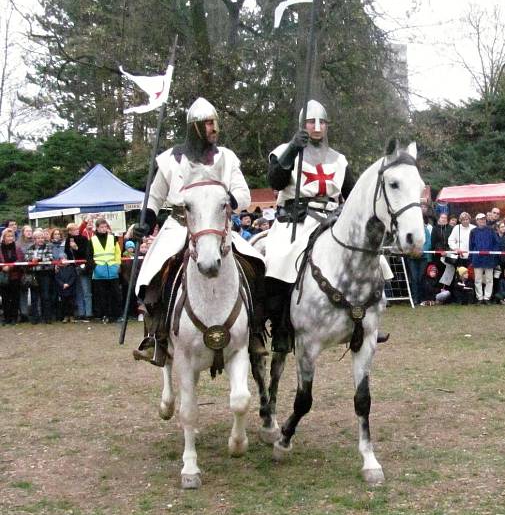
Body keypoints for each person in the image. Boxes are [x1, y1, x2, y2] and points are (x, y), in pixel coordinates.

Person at [132, 97, 266, 365]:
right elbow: (156, 197)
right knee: (152, 273)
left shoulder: (226, 158)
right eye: (208, 124)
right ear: (194, 127)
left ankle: (255, 332)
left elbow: (243, 195)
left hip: (217, 227)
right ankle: (157, 337)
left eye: (215, 123)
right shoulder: (170, 159)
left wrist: (224, 200)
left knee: (256, 264)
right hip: (179, 225)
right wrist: (145, 221)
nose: (214, 128)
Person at [259, 99, 392, 353]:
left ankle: (368, 320)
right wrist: (291, 150)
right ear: (302, 124)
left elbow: (352, 194)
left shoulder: (339, 160)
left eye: (322, 122)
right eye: (311, 122)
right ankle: (281, 327)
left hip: (332, 220)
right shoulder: (283, 151)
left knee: (378, 262)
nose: (317, 127)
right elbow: (275, 181)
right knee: (279, 260)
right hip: (296, 221)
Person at [89, 218, 121, 323]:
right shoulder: (92, 240)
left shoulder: (113, 238)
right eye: (101, 227)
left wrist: (117, 265)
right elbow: (89, 256)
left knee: (115, 294)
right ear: (97, 228)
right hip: (99, 270)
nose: (104, 229)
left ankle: (116, 315)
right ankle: (104, 315)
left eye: (105, 227)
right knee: (101, 295)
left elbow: (117, 252)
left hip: (112, 269)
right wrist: (95, 267)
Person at [25, 229, 55, 324]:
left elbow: (50, 257)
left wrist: (39, 259)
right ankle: (35, 318)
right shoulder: (30, 247)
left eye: (42, 237)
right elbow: (26, 258)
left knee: (45, 296)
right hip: (34, 274)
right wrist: (31, 260)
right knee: (34, 297)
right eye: (38, 238)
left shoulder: (48, 246)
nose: (40, 239)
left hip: (45, 273)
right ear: (34, 239)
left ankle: (47, 317)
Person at [65, 222, 92, 320]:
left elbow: (85, 253)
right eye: (73, 230)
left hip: (83, 267)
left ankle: (88, 313)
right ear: (69, 232)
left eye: (76, 229)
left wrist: (76, 248)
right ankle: (81, 312)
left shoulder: (84, 239)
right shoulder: (68, 241)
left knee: (86, 290)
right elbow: (67, 254)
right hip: (73, 268)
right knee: (78, 291)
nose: (76, 231)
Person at [469, 213, 498, 304]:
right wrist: (471, 258)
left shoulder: (491, 230)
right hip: (477, 258)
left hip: (489, 258)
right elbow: (471, 245)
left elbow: (496, 243)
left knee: (489, 279)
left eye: (484, 219)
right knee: (478, 279)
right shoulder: (473, 231)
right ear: (477, 221)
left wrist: (493, 253)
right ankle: (479, 298)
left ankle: (487, 297)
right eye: (480, 219)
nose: (482, 221)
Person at [1, 227, 24, 324]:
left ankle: (14, 317)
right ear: (4, 237)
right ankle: (6, 317)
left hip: (15, 276)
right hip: (3, 277)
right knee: (5, 298)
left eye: (12, 236)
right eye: (8, 236)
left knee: (15, 298)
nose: (10, 238)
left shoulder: (17, 248)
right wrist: (2, 267)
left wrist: (9, 267)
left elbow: (21, 260)